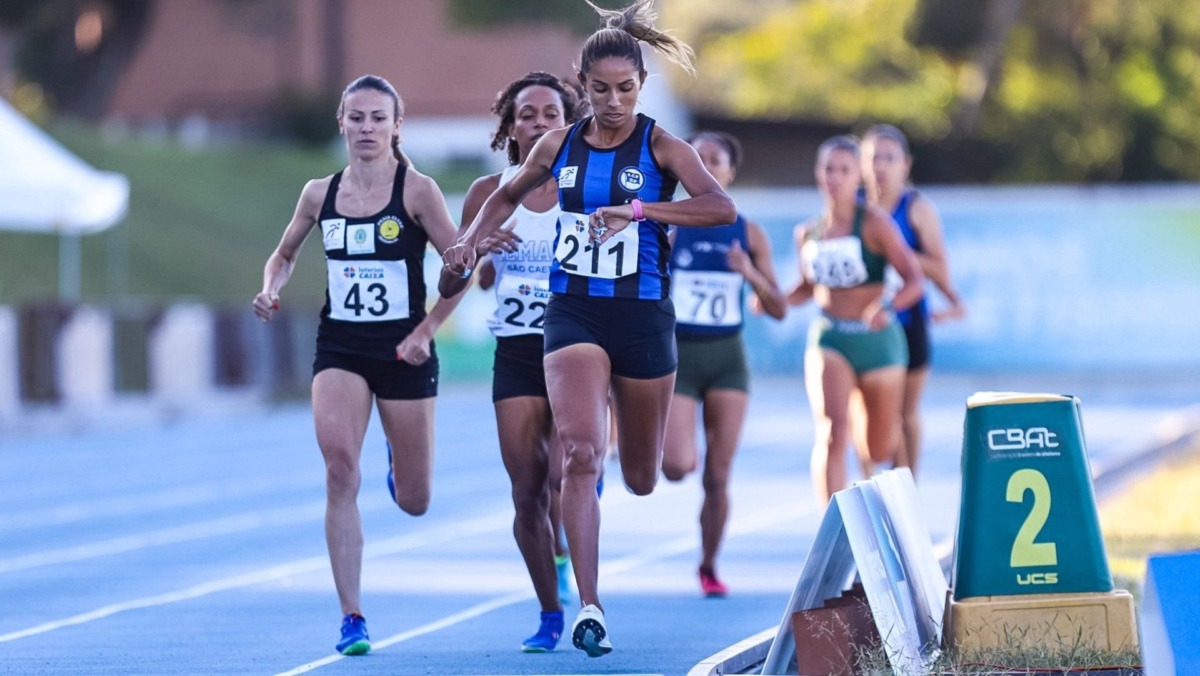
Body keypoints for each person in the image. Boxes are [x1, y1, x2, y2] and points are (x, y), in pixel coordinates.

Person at [440, 0, 736, 658]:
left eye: (625, 89)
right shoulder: (559, 144)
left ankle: (617, 484)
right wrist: (468, 239)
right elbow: (505, 193)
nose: (612, 102)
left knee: (639, 476)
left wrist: (640, 210)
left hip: (642, 315)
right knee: (577, 455)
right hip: (571, 310)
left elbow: (720, 206)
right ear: (582, 86)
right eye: (599, 90)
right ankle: (590, 606)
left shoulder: (662, 144)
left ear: (641, 86)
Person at [251, 74, 462, 656]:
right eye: (357, 117)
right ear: (340, 123)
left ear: (398, 125)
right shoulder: (319, 193)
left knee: (416, 500)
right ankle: (352, 616)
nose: (367, 128)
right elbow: (285, 253)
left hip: (403, 349)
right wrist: (270, 288)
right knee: (340, 470)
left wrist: (427, 328)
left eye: (378, 118)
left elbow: (459, 269)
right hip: (340, 346)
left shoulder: (418, 191)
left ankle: (399, 457)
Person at [464, 71, 586, 652]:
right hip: (515, 349)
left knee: (568, 476)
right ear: (509, 127)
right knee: (527, 493)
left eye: (550, 114)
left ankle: (591, 604)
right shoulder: (490, 191)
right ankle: (548, 610)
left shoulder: (588, 184)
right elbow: (450, 279)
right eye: (527, 115)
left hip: (577, 348)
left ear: (569, 121)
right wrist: (475, 251)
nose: (539, 123)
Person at [661, 131, 786, 597]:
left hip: (728, 361)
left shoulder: (748, 232)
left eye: (717, 161)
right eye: (699, 159)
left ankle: (709, 564)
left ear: (731, 172)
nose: (708, 168)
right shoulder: (670, 227)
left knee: (718, 474)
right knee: (677, 466)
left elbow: (778, 308)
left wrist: (749, 273)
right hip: (678, 360)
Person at [786, 135, 924, 506]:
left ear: (857, 177)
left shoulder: (875, 224)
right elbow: (806, 287)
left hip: (878, 342)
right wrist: (776, 298)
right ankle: (831, 527)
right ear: (818, 174)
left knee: (879, 446)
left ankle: (902, 511)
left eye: (844, 170)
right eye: (828, 169)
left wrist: (888, 306)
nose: (835, 177)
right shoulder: (807, 233)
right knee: (832, 431)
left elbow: (915, 281)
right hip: (831, 338)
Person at [856, 124, 966, 477]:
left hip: (907, 324)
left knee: (903, 415)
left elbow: (937, 266)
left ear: (906, 164)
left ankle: (908, 488)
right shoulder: (853, 208)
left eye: (890, 158)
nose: (881, 166)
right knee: (864, 413)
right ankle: (869, 491)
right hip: (864, 323)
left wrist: (895, 248)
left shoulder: (917, 209)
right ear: (862, 164)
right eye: (874, 158)